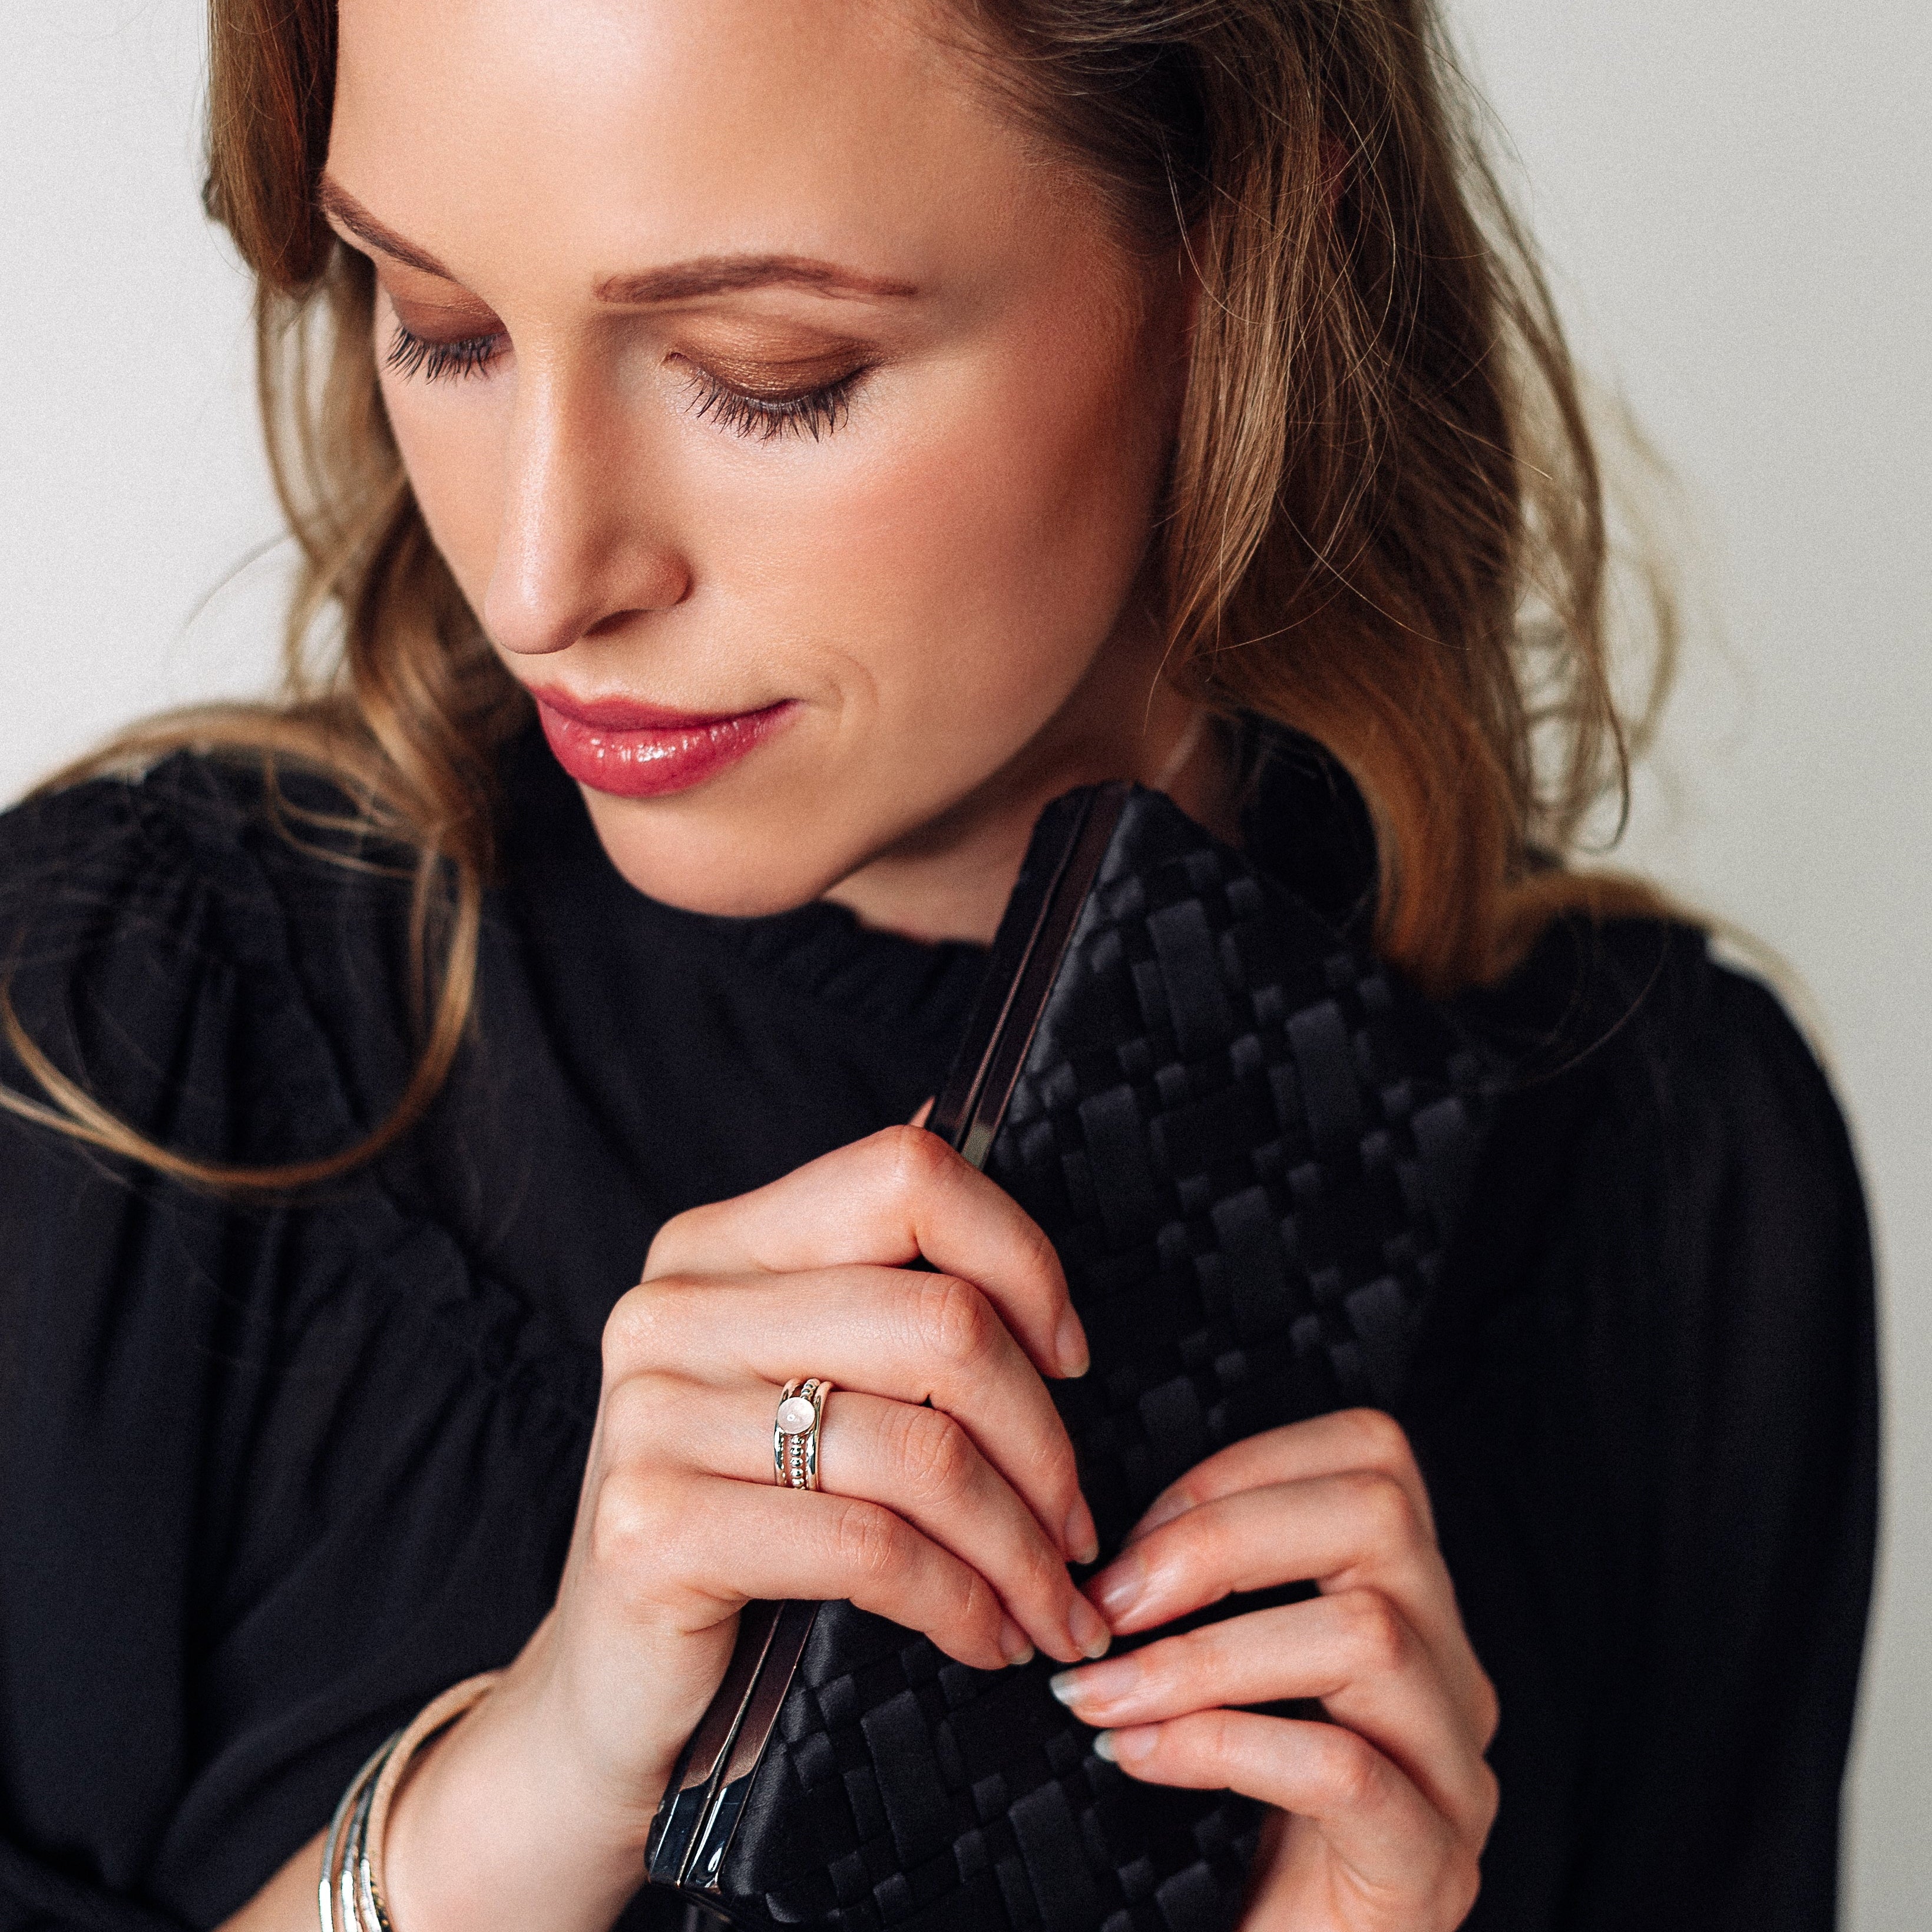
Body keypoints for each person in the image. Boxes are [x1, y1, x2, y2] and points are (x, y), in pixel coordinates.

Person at [0, 2, 1874, 1928]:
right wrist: (525, 1796)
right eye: (440, 323)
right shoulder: (124, 1024)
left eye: (771, 373)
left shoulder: (1671, 1185)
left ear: (1235, 248)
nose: (545, 574)